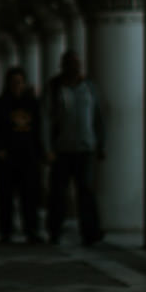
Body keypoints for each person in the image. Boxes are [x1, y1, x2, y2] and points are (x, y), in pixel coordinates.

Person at [42, 51, 105, 246]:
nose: (75, 67)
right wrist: (47, 147)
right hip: (61, 149)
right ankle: (54, 230)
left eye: (77, 63)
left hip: (85, 148)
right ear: (63, 65)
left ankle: (90, 232)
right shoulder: (54, 88)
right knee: (58, 192)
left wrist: (101, 144)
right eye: (70, 63)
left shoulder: (89, 88)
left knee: (86, 191)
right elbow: (45, 119)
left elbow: (98, 117)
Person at [0, 66, 43, 243]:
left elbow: (40, 129)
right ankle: (6, 232)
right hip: (6, 160)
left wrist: (41, 152)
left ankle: (31, 230)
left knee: (30, 197)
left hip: (28, 159)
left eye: (20, 82)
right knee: (5, 198)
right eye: (14, 82)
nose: (17, 85)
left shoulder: (32, 104)